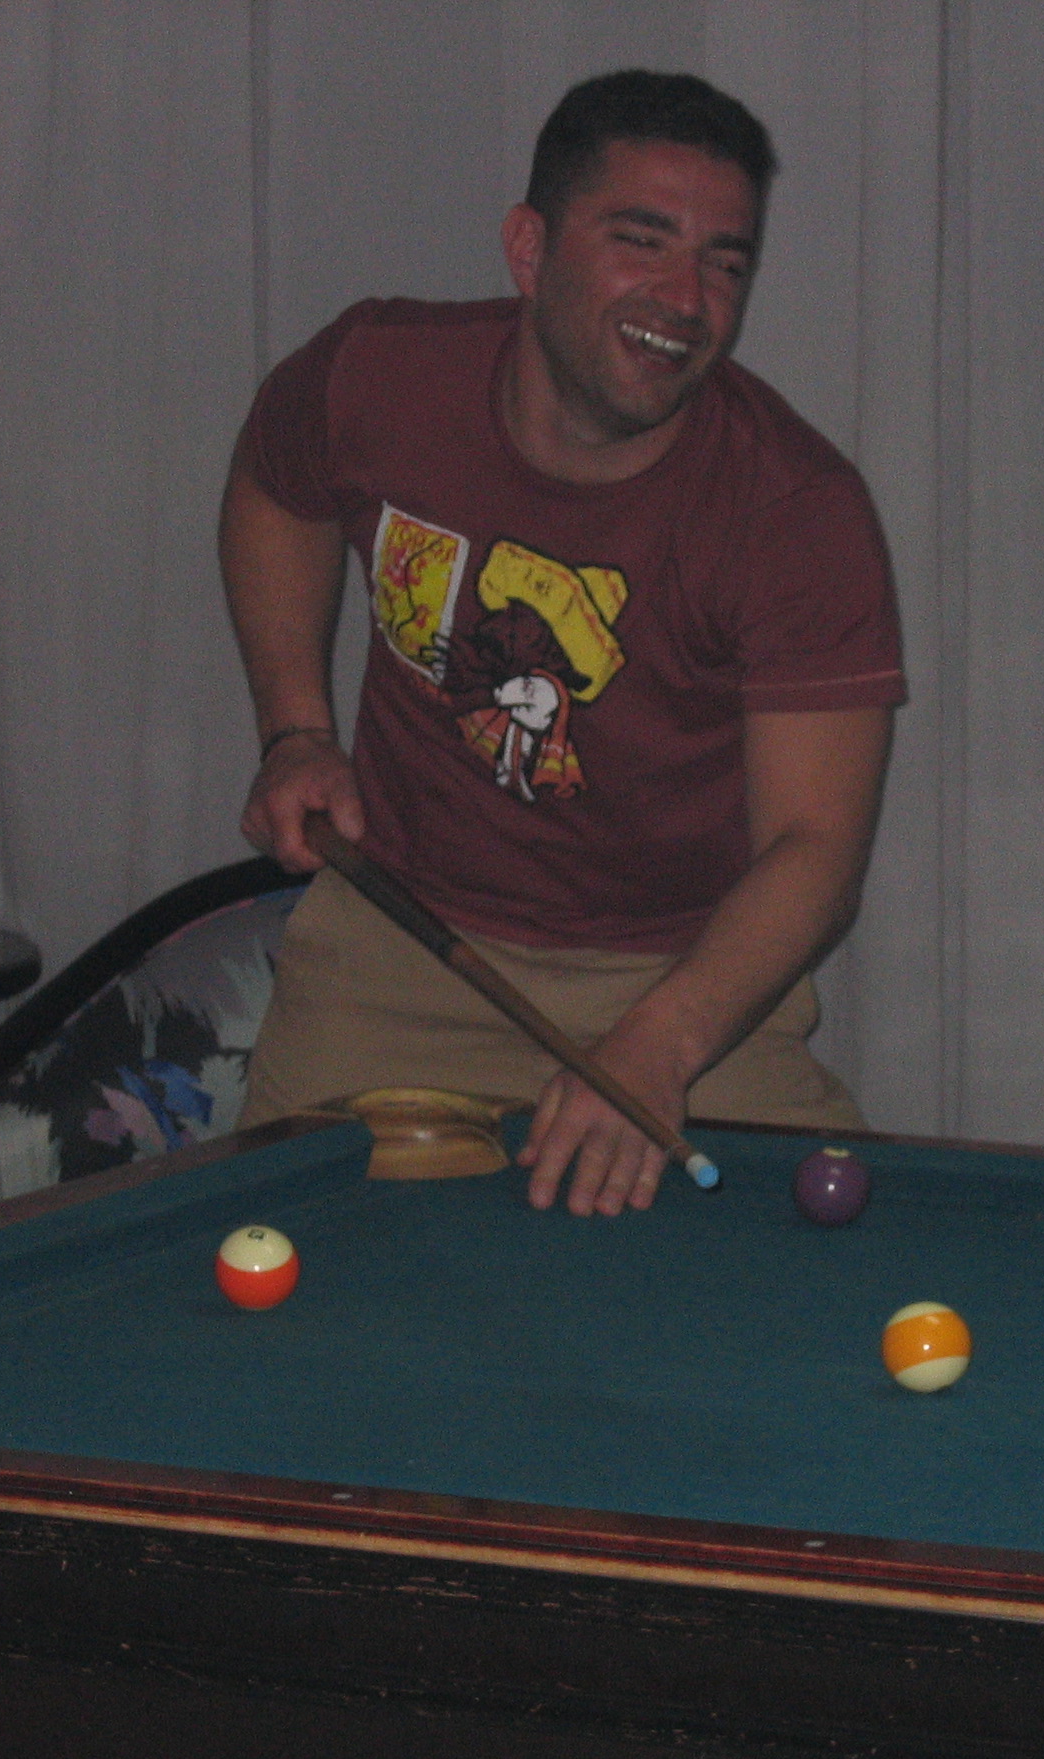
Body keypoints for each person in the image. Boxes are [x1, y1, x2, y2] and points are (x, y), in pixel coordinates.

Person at [223, 69, 903, 1219]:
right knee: (282, 1259)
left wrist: (662, 1040)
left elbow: (816, 847)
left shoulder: (796, 509)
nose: (686, 300)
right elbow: (275, 484)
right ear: (529, 250)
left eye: (725, 263)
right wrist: (294, 730)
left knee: (827, 1281)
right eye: (643, 242)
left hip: (687, 983)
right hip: (398, 949)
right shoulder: (377, 376)